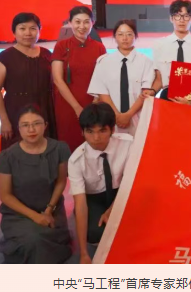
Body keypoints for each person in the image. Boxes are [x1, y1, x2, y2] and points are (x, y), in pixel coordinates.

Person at [0, 104, 72, 263]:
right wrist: (35, 217)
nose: (31, 129)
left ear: (45, 125)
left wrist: (49, 209)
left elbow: (61, 181)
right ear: (19, 128)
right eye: (25, 125)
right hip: (19, 213)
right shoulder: (7, 156)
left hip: (51, 209)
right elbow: (5, 196)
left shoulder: (60, 148)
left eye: (36, 123)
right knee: (33, 239)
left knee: (48, 236)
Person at [68, 103, 133, 264]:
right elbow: (80, 203)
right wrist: (83, 253)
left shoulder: (128, 144)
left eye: (102, 131)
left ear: (112, 130)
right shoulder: (76, 160)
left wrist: (113, 210)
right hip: (94, 197)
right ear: (82, 132)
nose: (96, 138)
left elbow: (131, 182)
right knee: (95, 233)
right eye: (90, 131)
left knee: (138, 223)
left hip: (123, 191)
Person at [0, 13, 57, 151]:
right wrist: (4, 121)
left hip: (45, 110)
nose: (28, 33)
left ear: (39, 30)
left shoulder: (47, 54)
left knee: (47, 152)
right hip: (16, 112)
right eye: (22, 28)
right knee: (17, 154)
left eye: (33, 28)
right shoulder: (4, 57)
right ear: (14, 32)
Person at [88, 19, 161, 137]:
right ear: (115, 37)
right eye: (120, 34)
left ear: (135, 36)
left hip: (138, 117)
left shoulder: (146, 62)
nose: (125, 38)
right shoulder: (104, 61)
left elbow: (145, 92)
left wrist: (128, 115)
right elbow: (102, 92)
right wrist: (117, 116)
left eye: (129, 34)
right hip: (111, 117)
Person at [52, 6, 107, 152]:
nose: (82, 26)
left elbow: (104, 78)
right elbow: (57, 80)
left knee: (93, 145)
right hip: (67, 105)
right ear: (70, 23)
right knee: (69, 145)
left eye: (86, 22)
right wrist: (77, 108)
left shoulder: (99, 47)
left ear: (92, 23)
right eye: (77, 22)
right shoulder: (61, 46)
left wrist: (95, 101)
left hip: (93, 104)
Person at [152, 0, 191, 107]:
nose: (182, 20)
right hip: (167, 98)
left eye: (186, 16)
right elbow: (159, 79)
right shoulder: (159, 45)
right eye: (177, 16)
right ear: (171, 18)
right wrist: (150, 92)